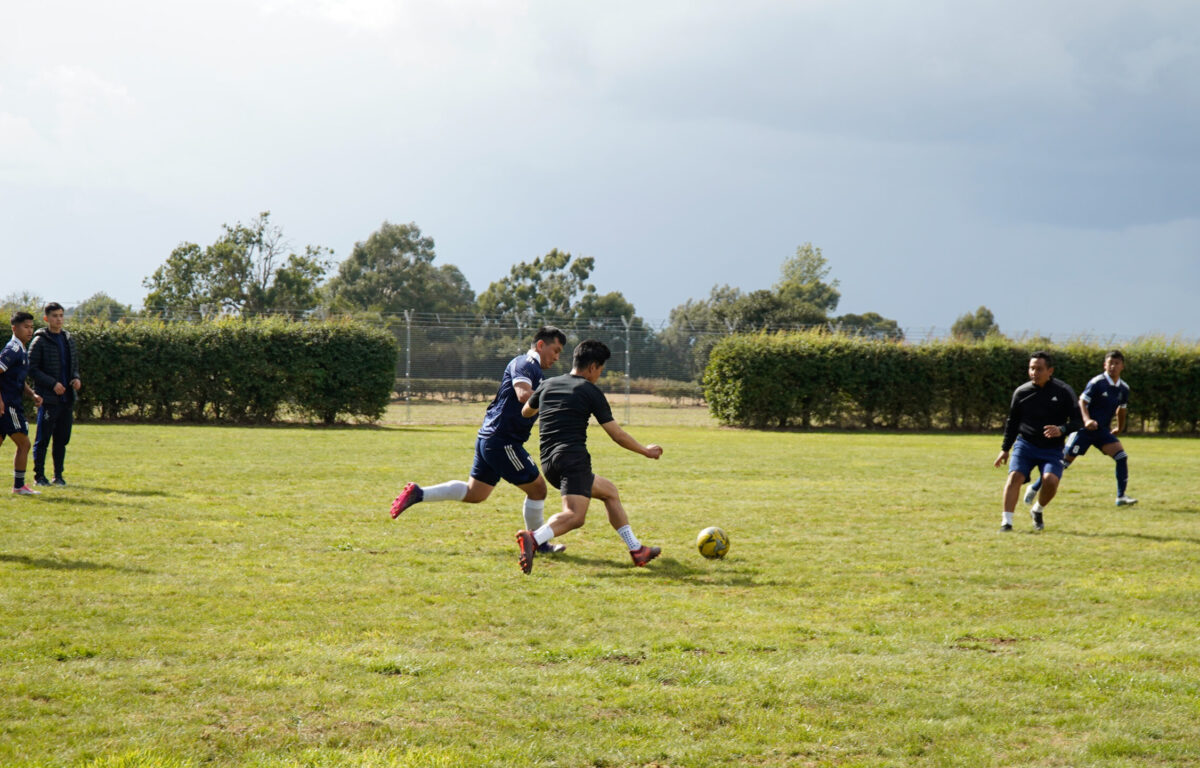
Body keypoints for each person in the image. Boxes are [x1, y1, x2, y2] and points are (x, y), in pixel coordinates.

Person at [389, 326, 569, 554]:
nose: (557, 357)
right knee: (538, 490)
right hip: (503, 441)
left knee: (476, 493)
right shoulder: (526, 364)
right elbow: (523, 395)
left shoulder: (533, 370)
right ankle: (538, 544)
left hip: (490, 439)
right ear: (541, 345)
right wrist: (556, 401)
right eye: (556, 350)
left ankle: (419, 493)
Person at [515, 339, 663, 574]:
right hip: (573, 459)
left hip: (549, 462)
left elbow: (526, 412)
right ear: (593, 367)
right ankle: (534, 538)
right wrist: (646, 450)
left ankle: (637, 550)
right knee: (575, 516)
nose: (599, 375)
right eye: (600, 370)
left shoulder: (548, 384)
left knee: (609, 492)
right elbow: (617, 434)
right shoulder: (590, 390)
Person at [1024, 349, 1136, 506]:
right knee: (1062, 464)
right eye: (1110, 363)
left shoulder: (1124, 388)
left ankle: (1121, 497)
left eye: (1117, 363)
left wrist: (1119, 427)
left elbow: (1121, 409)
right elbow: (1082, 401)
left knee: (1121, 457)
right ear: (1104, 365)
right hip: (1083, 431)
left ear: (1122, 366)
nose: (1113, 366)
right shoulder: (1097, 383)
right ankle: (1034, 487)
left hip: (1102, 431)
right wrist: (1087, 420)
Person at [994, 351, 1082, 532]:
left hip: (1052, 448)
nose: (1034, 372)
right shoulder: (1021, 392)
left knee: (1050, 481)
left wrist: (1061, 429)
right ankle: (1006, 523)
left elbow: (1078, 421)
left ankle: (1037, 509)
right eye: (1031, 368)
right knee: (1014, 477)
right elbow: (1012, 422)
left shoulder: (1063, 391)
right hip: (1025, 444)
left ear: (1050, 370)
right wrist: (1005, 449)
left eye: (1039, 369)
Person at [28, 301, 82, 486]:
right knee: (43, 439)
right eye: (54, 316)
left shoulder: (69, 340)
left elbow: (74, 366)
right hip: (48, 399)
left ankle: (58, 475)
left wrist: (76, 378)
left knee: (62, 439)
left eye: (61, 316)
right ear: (46, 318)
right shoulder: (39, 341)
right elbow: (32, 369)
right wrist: (52, 384)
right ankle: (39, 476)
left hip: (67, 399)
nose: (59, 319)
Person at [0, 312, 45, 495]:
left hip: (10, 403)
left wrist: (32, 394)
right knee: (24, 444)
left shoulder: (22, 350)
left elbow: (16, 379)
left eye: (31, 327)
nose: (30, 331)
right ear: (14, 328)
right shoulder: (13, 350)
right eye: (26, 327)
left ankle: (19, 486)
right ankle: (19, 486)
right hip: (8, 405)